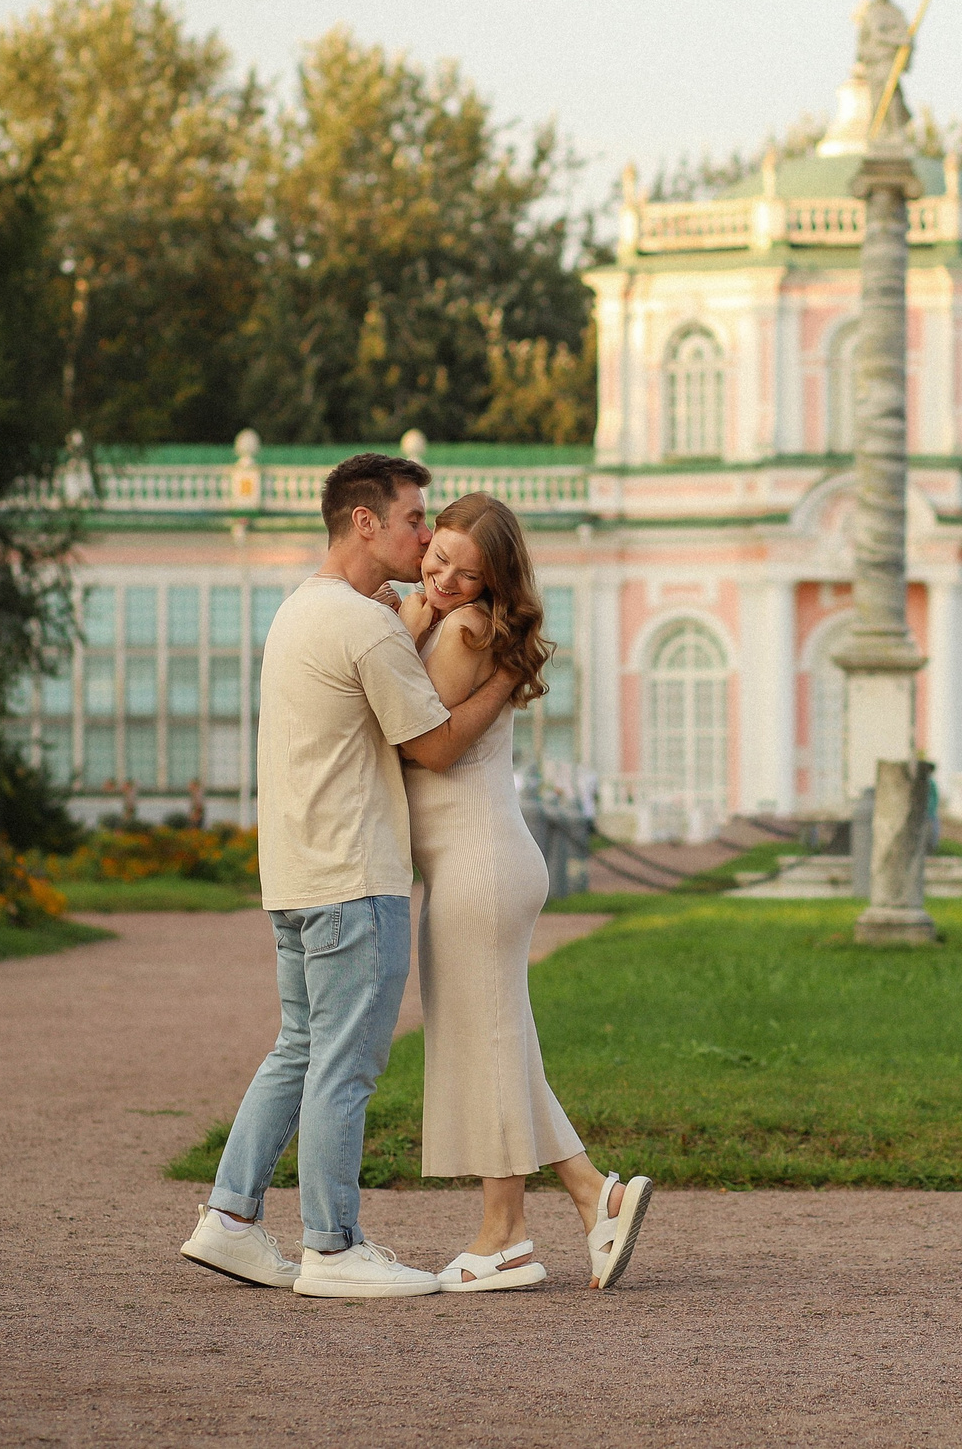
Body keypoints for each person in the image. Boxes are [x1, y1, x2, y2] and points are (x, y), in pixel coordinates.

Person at [178, 453, 514, 1299]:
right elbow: (433, 744)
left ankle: (230, 1218)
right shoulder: (364, 625)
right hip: (354, 874)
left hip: (294, 874)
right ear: (365, 522)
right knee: (346, 1064)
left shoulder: (303, 609)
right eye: (413, 519)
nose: (426, 534)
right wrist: (508, 678)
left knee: (300, 1046)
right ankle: (333, 1245)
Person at [399, 493, 653, 1292]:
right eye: (436, 555)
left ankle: (505, 1235)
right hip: (484, 858)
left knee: (489, 1045)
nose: (440, 576)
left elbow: (415, 740)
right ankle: (594, 1194)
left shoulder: (463, 630)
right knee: (501, 1042)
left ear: (490, 582)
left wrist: (403, 630)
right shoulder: (473, 628)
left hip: (478, 862)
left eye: (462, 572)